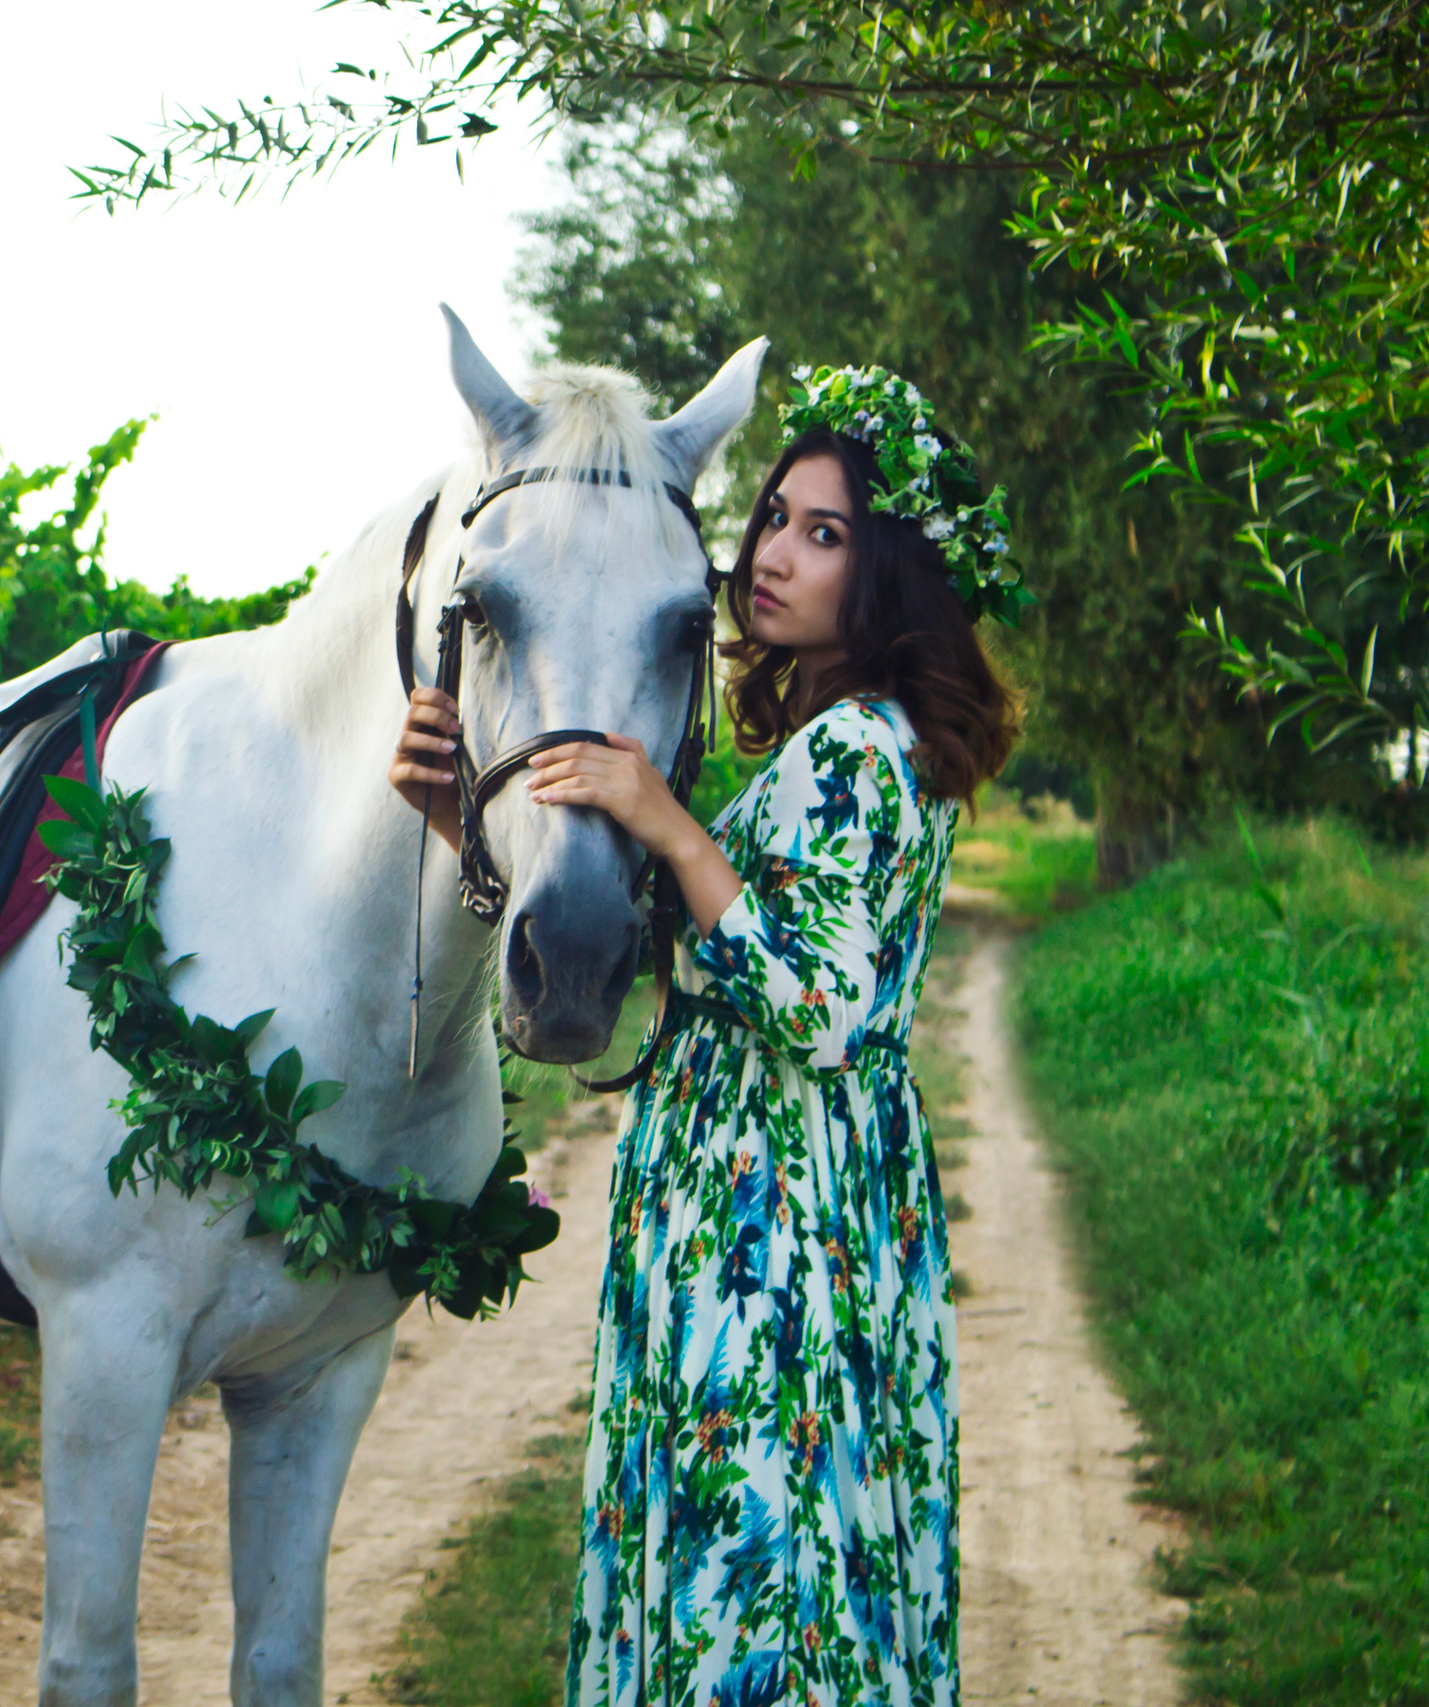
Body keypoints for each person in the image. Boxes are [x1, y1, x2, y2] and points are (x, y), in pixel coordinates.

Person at [390, 366, 1023, 1705]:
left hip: (779, 1229)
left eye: (824, 532)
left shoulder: (859, 746)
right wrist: (459, 820)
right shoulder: (826, 741)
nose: (772, 554)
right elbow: (688, 959)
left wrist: (669, 825)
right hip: (745, 1204)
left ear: (890, 569)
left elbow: (822, 1004)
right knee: (738, 1550)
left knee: (763, 1560)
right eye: (775, 518)